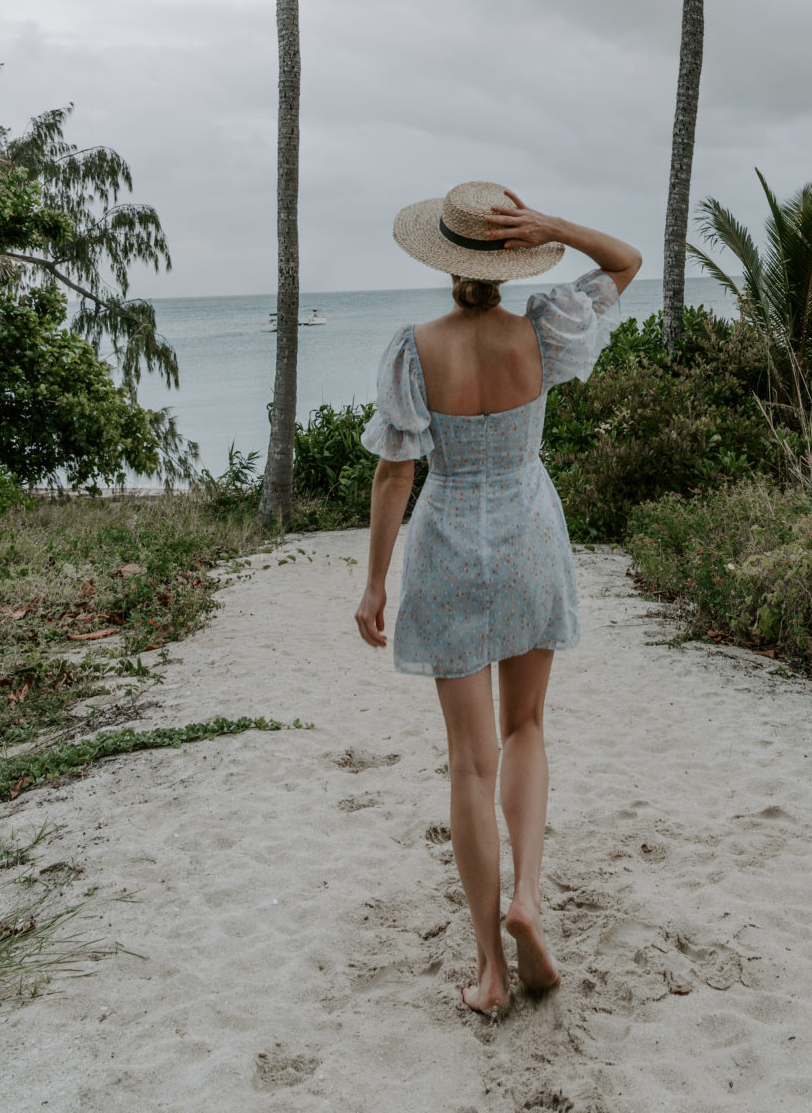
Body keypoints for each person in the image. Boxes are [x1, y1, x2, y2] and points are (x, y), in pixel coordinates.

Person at [354, 181, 641, 1019]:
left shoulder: (414, 348)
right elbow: (624, 262)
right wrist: (552, 226)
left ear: (442, 259)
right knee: (526, 729)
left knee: (469, 761)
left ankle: (487, 968)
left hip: (446, 544)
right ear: (512, 261)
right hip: (527, 538)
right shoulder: (545, 330)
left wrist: (374, 581)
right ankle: (529, 901)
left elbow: (394, 472)